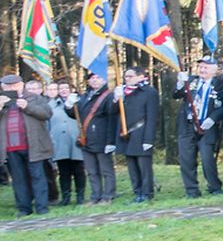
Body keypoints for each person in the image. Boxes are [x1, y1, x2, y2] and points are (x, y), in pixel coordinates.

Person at [0, 73, 53, 216]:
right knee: (18, 180)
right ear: (2, 87)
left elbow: (46, 114)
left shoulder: (35, 98)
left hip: (34, 146)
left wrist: (27, 107)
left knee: (38, 177)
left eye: (14, 85)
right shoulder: (0, 102)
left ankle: (42, 208)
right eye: (7, 86)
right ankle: (24, 208)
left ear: (21, 85)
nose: (11, 88)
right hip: (10, 147)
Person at [173, 56, 223, 197]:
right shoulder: (191, 81)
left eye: (206, 67)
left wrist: (213, 118)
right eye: (201, 67)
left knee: (207, 159)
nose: (202, 70)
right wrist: (180, 83)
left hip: (206, 126)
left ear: (214, 69)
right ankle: (191, 190)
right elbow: (176, 95)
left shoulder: (220, 83)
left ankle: (215, 186)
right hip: (187, 125)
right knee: (186, 159)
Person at [68, 72, 117, 204]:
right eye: (92, 78)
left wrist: (110, 141)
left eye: (98, 77)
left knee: (106, 170)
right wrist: (69, 105)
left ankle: (108, 195)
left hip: (102, 138)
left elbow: (112, 117)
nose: (95, 81)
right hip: (86, 138)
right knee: (91, 171)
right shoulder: (84, 97)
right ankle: (95, 196)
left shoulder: (108, 96)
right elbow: (76, 115)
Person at [113, 66, 158, 203]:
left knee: (144, 166)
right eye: (126, 76)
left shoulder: (149, 92)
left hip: (141, 132)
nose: (127, 79)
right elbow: (113, 112)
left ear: (141, 76)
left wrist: (148, 138)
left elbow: (152, 116)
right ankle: (137, 192)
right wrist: (116, 99)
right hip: (126, 134)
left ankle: (147, 193)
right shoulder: (123, 93)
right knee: (132, 166)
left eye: (130, 76)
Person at [49, 81, 85, 206]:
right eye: (61, 88)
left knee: (78, 170)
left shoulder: (79, 102)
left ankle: (80, 196)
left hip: (76, 141)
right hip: (59, 142)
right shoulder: (51, 105)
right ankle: (66, 196)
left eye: (66, 87)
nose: (63, 90)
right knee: (64, 171)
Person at [24, 80, 60, 204]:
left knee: (47, 171)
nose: (32, 91)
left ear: (40, 90)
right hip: (32, 143)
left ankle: (52, 195)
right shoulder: (22, 103)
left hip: (47, 142)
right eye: (29, 89)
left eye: (35, 89)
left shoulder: (43, 102)